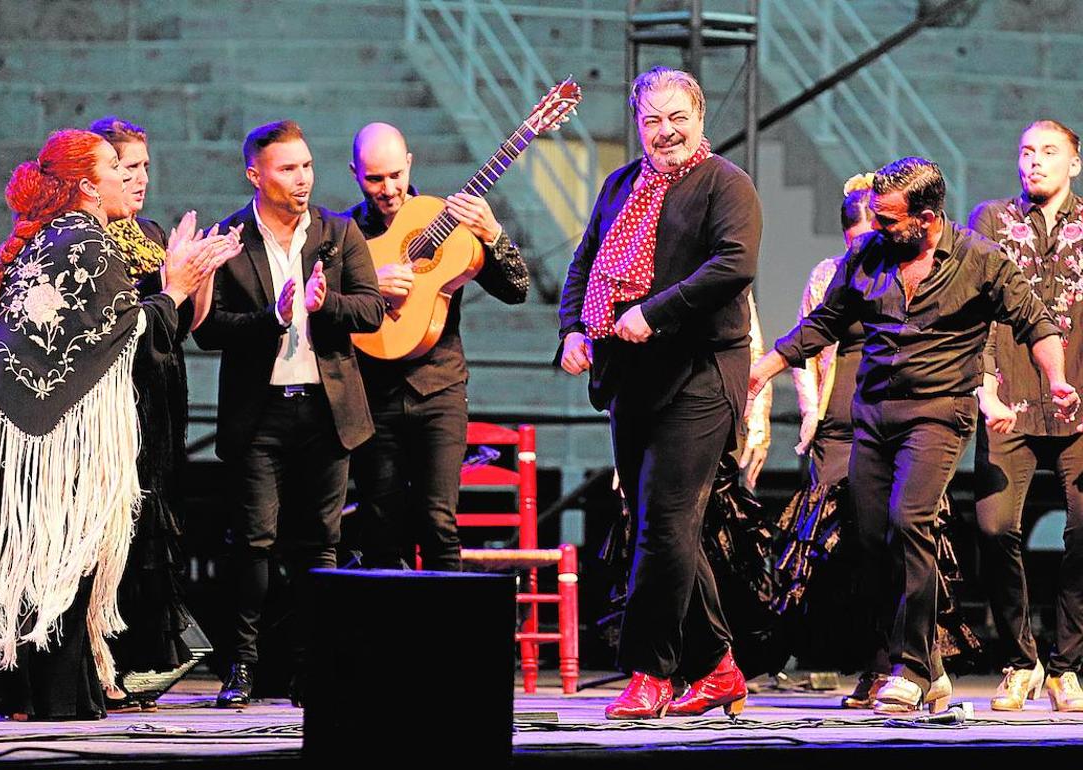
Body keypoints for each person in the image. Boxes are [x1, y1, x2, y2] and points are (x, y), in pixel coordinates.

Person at [750, 156, 1077, 714]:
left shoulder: (980, 260)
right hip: (872, 414)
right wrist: (766, 367)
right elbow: (825, 322)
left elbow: (1036, 321)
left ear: (926, 218)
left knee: (910, 521)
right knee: (871, 540)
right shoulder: (868, 255)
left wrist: (1057, 380)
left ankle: (912, 666)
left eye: (888, 219)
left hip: (938, 413)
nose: (877, 227)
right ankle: (914, 662)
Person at [0, 128, 228, 721]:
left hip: (11, 419)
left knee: (35, 558)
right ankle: (53, 698)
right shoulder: (87, 244)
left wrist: (177, 288)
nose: (128, 178)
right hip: (40, 427)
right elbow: (132, 336)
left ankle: (26, 695)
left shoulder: (59, 236)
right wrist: (175, 287)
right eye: (115, 168)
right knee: (63, 552)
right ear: (85, 185)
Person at [557, 66, 761, 719]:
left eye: (678, 117)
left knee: (668, 521)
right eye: (652, 120)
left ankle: (651, 671)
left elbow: (734, 264)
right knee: (657, 525)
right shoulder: (622, 183)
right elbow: (585, 262)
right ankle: (721, 668)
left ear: (699, 117)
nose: (665, 131)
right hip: (631, 376)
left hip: (700, 373)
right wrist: (572, 330)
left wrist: (656, 310)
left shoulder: (726, 184)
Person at [192, 120, 383, 708]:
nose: (302, 179)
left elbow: (373, 311)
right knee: (253, 541)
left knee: (320, 545)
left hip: (327, 414)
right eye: (287, 168)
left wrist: (325, 308)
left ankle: (310, 668)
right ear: (256, 174)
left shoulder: (338, 231)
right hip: (261, 415)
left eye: (306, 166)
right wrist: (271, 320)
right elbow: (207, 330)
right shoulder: (229, 237)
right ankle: (243, 667)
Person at [774, 174, 979, 707]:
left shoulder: (933, 265)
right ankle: (877, 664)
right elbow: (814, 335)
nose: (872, 242)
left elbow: (972, 332)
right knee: (862, 546)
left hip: (916, 410)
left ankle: (916, 662)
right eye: (862, 234)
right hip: (847, 414)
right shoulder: (837, 272)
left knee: (908, 531)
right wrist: (808, 412)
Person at [89, 116, 238, 712]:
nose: (141, 179)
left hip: (162, 394)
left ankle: (146, 661)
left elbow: (188, 323)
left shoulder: (149, 231)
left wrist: (200, 276)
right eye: (128, 169)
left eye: (146, 167)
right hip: (118, 395)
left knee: (158, 518)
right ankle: (107, 661)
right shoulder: (91, 241)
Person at [344, 122, 530, 571]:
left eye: (395, 175)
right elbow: (324, 306)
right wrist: (368, 283)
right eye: (374, 179)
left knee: (438, 521)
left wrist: (493, 234)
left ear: (409, 164)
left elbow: (517, 288)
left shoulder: (444, 222)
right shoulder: (345, 233)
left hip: (439, 389)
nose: (388, 189)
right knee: (380, 524)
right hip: (373, 394)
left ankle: (446, 640)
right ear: (355, 173)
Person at [969, 118, 1083, 712]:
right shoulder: (993, 220)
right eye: (1026, 151)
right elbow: (977, 308)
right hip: (1007, 401)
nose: (1034, 161)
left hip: (1078, 405)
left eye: (1048, 151)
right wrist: (984, 391)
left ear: (1075, 162)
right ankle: (1021, 660)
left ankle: (1067, 664)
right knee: (993, 528)